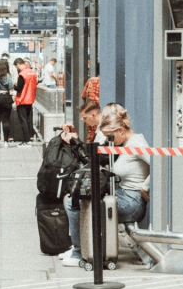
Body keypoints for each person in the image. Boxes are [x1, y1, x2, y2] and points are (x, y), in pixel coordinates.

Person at [61, 103, 153, 267]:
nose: (110, 142)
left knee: (79, 204)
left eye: (110, 137)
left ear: (121, 131)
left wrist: (144, 187)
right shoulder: (125, 143)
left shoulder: (136, 143)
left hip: (132, 200)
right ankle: (80, 249)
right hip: (121, 195)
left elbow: (157, 163)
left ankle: (78, 252)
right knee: (73, 200)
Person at [13, 58, 38, 144]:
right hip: (30, 99)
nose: (17, 68)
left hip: (22, 100)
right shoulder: (33, 73)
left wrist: (13, 85)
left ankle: (26, 140)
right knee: (28, 120)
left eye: (16, 66)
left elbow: (19, 88)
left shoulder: (22, 74)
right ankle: (29, 137)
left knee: (23, 121)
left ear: (18, 64)